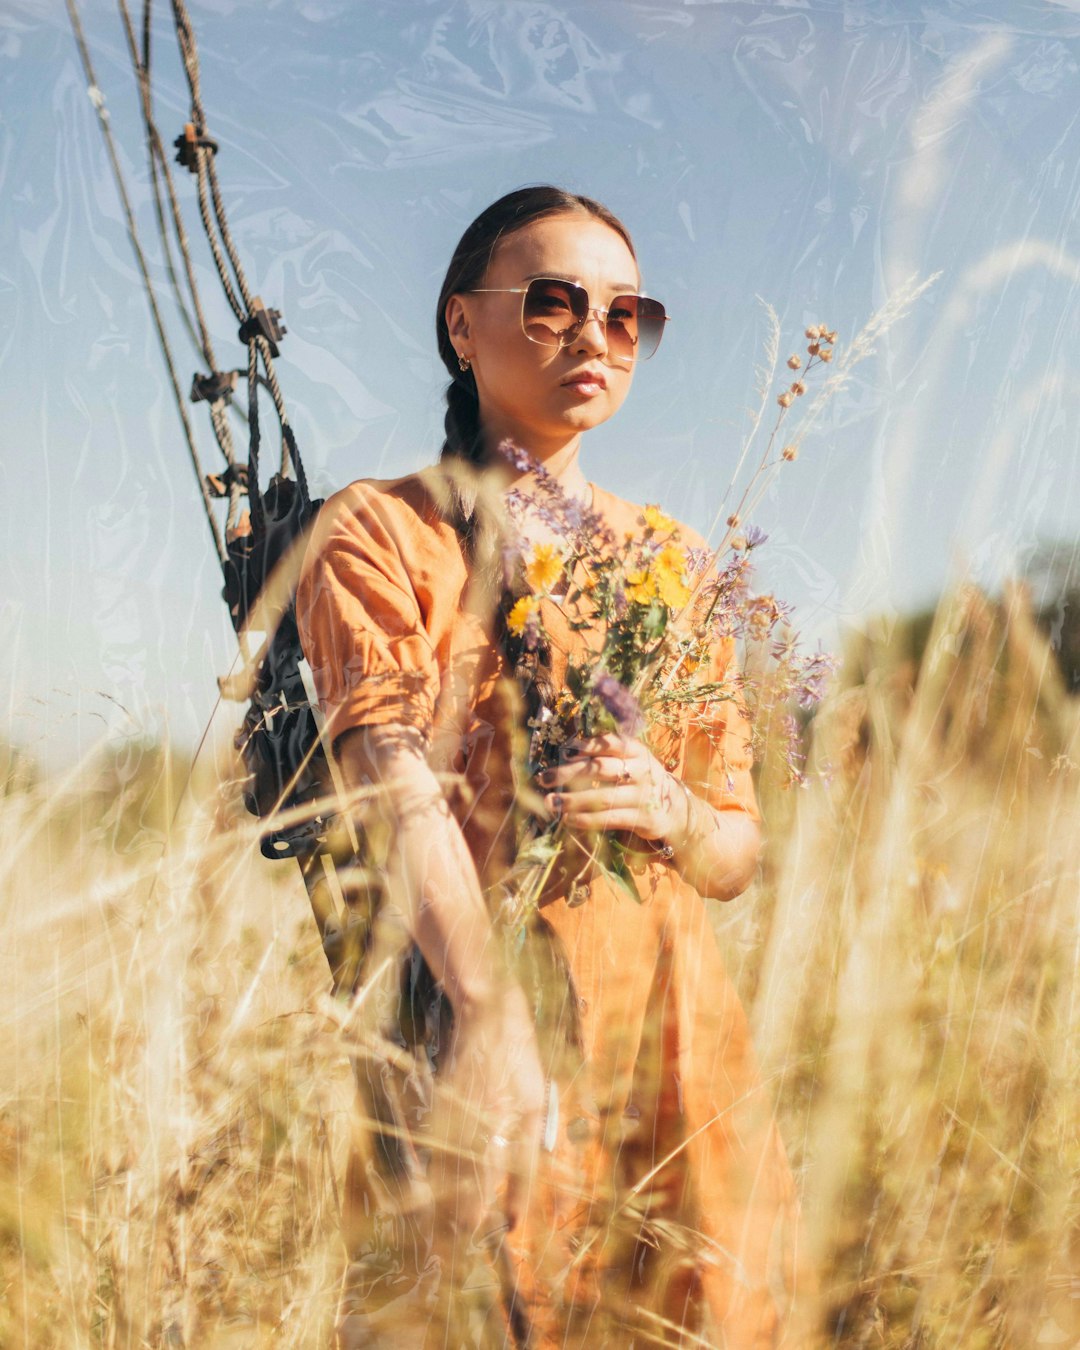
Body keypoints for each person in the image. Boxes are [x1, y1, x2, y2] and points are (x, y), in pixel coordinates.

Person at [297, 185, 803, 1348]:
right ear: (461, 326)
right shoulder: (382, 530)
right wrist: (485, 1019)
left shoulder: (675, 557)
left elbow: (734, 852)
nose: (594, 335)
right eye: (552, 302)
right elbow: (387, 770)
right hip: (486, 1003)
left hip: (678, 1032)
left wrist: (670, 809)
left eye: (627, 314)